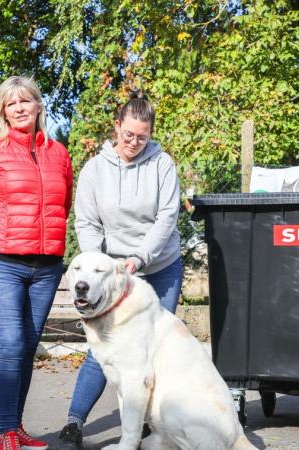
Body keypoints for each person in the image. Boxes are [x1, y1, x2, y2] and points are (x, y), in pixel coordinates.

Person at [57, 90, 183, 449]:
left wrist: (140, 257)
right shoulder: (95, 169)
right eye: (128, 135)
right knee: (105, 347)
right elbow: (87, 221)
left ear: (151, 133)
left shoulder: (162, 164)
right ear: (116, 127)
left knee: (152, 350)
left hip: (158, 266)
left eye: (142, 137)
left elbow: (166, 217)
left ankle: (144, 425)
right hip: (111, 273)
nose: (134, 142)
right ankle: (74, 424)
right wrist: (100, 265)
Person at [0, 75, 73, 450]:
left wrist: (49, 245)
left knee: (27, 346)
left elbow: (64, 205)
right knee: (10, 343)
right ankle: (6, 430)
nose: (20, 108)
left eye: (26, 101)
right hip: (2, 263)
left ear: (39, 106)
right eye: (12, 104)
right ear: (3, 112)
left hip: (46, 267)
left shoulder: (59, 153)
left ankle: (17, 426)